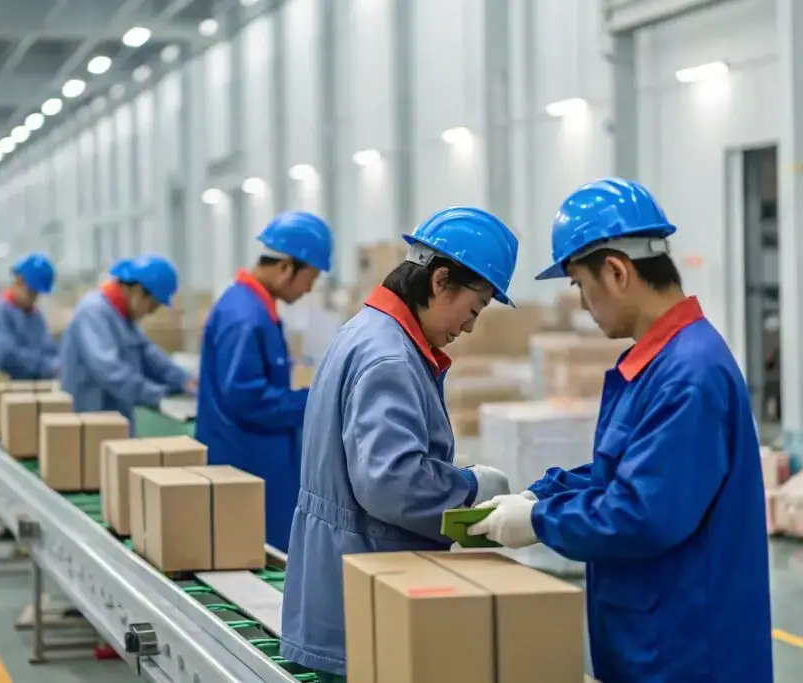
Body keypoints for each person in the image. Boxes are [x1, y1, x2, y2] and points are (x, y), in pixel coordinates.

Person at [469, 178, 773, 683]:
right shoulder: (657, 363)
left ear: (615, 271)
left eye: (578, 285)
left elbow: (643, 513)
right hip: (651, 641)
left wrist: (541, 520)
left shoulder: (689, 374)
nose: (584, 304)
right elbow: (624, 471)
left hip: (686, 654)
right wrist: (544, 492)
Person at [280, 206, 517, 680]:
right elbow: (389, 482)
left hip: (340, 588)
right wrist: (468, 490)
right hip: (365, 595)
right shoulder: (390, 358)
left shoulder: (365, 333)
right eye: (475, 308)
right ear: (439, 281)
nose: (469, 326)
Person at [195, 211, 333, 553]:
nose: (309, 289)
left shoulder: (255, 308)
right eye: (310, 278)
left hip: (256, 461)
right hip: (246, 463)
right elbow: (246, 398)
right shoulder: (245, 316)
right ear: (287, 268)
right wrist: (314, 400)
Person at [60, 254, 194, 430]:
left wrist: (183, 379)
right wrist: (155, 395)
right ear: (138, 291)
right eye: (153, 305)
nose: (152, 312)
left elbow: (148, 354)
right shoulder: (93, 312)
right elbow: (109, 369)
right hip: (90, 420)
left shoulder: (124, 316)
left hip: (116, 419)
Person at [0, 253, 60, 380]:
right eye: (32, 292)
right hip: (9, 387)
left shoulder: (34, 314)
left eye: (37, 294)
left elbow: (48, 347)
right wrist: (45, 366)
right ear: (19, 281)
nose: (34, 298)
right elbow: (6, 357)